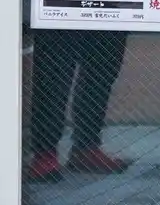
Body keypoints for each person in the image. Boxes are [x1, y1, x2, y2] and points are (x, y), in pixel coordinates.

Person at [27, 28, 131, 181]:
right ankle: (45, 153)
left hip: (112, 16)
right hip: (60, 17)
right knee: (55, 71)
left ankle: (86, 147)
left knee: (103, 68)